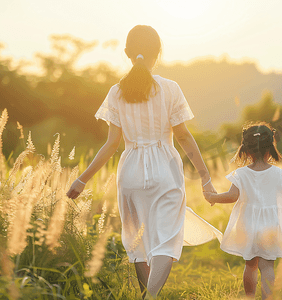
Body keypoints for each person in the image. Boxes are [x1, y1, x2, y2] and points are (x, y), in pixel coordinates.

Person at [66, 25, 219, 299]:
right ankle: (149, 298)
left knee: (136, 242)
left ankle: (145, 296)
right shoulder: (170, 88)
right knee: (166, 241)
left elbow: (112, 144)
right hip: (166, 171)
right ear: (158, 53)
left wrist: (82, 180)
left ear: (127, 53)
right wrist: (205, 179)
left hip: (130, 172)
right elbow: (183, 136)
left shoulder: (116, 91)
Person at [203, 122, 282, 300]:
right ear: (271, 148)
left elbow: (231, 196)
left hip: (248, 225)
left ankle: (249, 297)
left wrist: (213, 198)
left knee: (250, 265)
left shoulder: (241, 174)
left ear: (246, 149)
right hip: (271, 227)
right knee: (267, 266)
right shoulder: (278, 173)